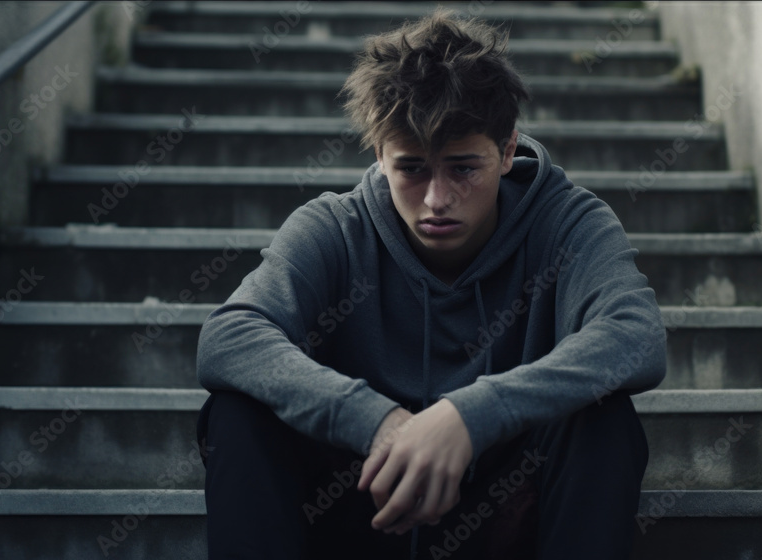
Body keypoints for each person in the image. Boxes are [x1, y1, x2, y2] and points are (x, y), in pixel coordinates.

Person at [195, 8, 666, 560]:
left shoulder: (567, 222)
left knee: (602, 419)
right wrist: (378, 421)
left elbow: (635, 335)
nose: (437, 199)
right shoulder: (335, 227)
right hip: (362, 505)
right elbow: (231, 336)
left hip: (510, 514)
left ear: (508, 150)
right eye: (413, 169)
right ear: (381, 156)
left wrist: (471, 415)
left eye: (464, 168)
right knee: (238, 413)